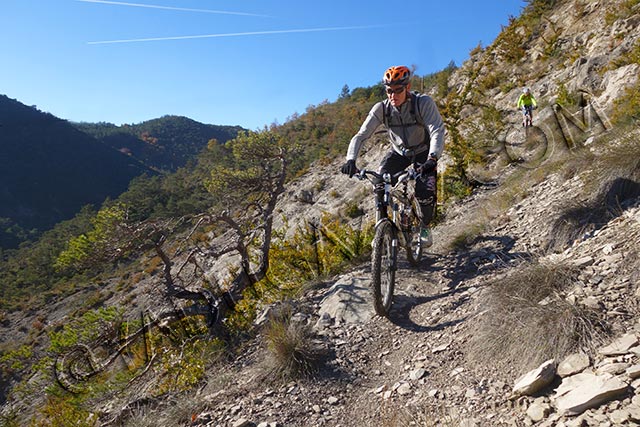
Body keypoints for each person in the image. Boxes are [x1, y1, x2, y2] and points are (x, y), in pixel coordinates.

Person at [340, 65, 445, 247]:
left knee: (425, 194)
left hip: (423, 152)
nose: (393, 95)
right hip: (399, 153)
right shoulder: (382, 108)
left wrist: (433, 158)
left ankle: (425, 226)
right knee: (379, 182)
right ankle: (381, 231)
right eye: (389, 91)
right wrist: (350, 159)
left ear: (408, 88)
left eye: (398, 90)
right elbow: (361, 135)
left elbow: (436, 130)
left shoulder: (423, 103)